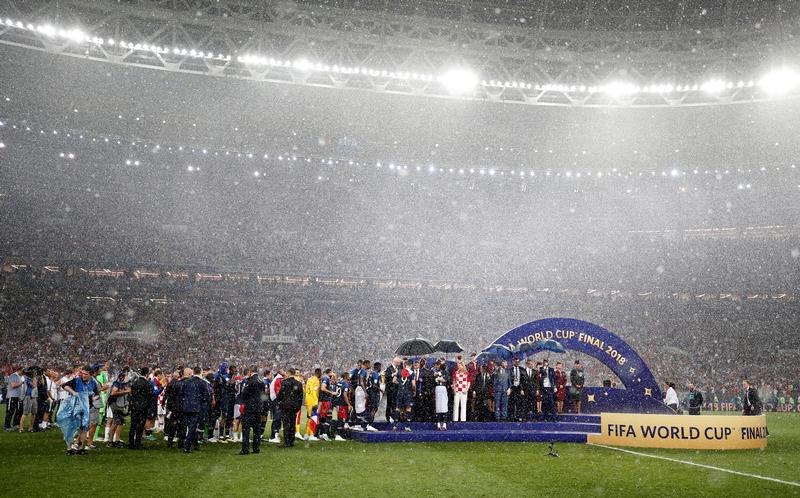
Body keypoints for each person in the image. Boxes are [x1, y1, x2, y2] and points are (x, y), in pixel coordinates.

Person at [182, 366, 210, 453]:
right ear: (200, 372)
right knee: (192, 427)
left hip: (186, 406)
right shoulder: (203, 383)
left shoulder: (186, 382)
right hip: (196, 407)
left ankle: (195, 444)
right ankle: (187, 446)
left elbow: (182, 393)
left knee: (191, 426)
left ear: (193, 372)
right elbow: (206, 396)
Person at [239, 366, 265, 455]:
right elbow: (263, 395)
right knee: (257, 429)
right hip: (258, 407)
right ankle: (256, 448)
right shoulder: (261, 381)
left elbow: (244, 394)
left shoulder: (249, 381)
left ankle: (245, 449)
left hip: (250, 407)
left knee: (246, 429)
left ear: (250, 371)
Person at [276, 368, 304, 447]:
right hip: (294, 406)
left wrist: (279, 402)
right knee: (292, 423)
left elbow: (280, 394)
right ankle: (291, 441)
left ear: (288, 373)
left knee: (286, 424)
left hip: (286, 405)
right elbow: (301, 396)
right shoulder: (298, 383)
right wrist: (298, 406)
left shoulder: (284, 382)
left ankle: (287, 441)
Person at [128, 367, 151, 449]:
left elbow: (132, 393)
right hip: (142, 407)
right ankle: (137, 443)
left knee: (133, 425)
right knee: (140, 426)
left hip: (134, 406)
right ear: (147, 374)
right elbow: (149, 395)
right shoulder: (147, 383)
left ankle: (131, 443)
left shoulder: (135, 382)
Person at [298, 368, 321, 441]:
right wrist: (315, 402)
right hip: (312, 400)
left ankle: (306, 434)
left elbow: (305, 390)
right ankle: (311, 435)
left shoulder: (309, 379)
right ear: (319, 373)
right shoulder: (316, 380)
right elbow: (314, 391)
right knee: (313, 418)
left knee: (309, 417)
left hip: (307, 399)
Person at [4, 366, 24, 431]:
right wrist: (22, 383)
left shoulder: (19, 376)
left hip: (17, 396)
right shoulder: (13, 375)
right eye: (22, 371)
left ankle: (15, 424)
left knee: (18, 411)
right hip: (12, 396)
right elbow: (13, 385)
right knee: (10, 411)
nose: (23, 372)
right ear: (19, 370)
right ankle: (7, 426)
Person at [267, 369, 284, 444]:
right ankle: (273, 436)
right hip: (277, 402)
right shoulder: (278, 379)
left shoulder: (277, 379)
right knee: (277, 419)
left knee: (277, 419)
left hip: (275, 401)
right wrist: (281, 400)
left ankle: (275, 435)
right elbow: (278, 392)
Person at [433, 361, 449, 430]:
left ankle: (439, 423)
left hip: (437, 388)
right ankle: (444, 424)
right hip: (442, 388)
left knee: (438, 406)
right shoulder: (446, 372)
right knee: (444, 406)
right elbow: (445, 380)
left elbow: (436, 377)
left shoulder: (437, 372)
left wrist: (438, 377)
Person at [509, 357, 524, 421]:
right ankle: (512, 417)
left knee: (519, 403)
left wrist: (522, 389)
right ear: (513, 362)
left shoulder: (521, 369)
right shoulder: (510, 369)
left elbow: (523, 380)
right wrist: (510, 388)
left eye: (518, 362)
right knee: (512, 403)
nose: (517, 363)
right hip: (512, 388)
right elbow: (509, 379)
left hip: (519, 388)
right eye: (516, 361)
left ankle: (519, 416)